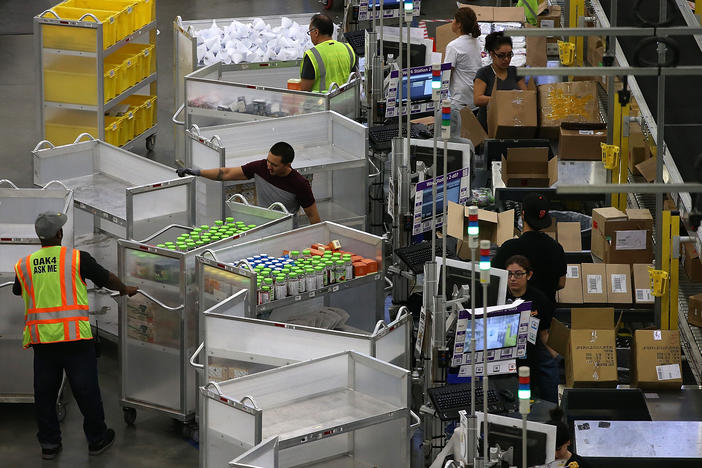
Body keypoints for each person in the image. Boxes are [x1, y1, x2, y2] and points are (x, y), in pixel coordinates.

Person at [12, 212, 138, 460]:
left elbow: (19, 290)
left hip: (43, 341)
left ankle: (49, 444)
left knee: (45, 394)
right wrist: (125, 289)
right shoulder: (76, 259)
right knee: (86, 391)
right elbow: (106, 278)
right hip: (75, 340)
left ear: (40, 238)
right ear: (59, 234)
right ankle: (97, 439)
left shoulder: (24, 265)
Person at [177, 141, 321, 224]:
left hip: (286, 232)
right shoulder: (260, 167)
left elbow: (312, 215)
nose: (268, 166)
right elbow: (225, 173)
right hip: (261, 225)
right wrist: (197, 172)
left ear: (288, 165)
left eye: (274, 165)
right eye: (268, 161)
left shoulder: (299, 184)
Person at [492, 192, 567, 302]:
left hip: (515, 313)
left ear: (523, 214)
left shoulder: (509, 248)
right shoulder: (556, 248)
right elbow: (561, 283)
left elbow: (493, 279)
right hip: (545, 314)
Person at [505, 255, 559, 403]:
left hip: (532, 349)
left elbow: (544, 333)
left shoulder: (539, 299)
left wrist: (556, 356)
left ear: (529, 275)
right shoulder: (500, 296)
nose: (513, 278)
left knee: (550, 368)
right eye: (509, 274)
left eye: (518, 274)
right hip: (507, 351)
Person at [473, 31, 528, 131]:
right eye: (501, 55)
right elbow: (478, 99)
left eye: (509, 55)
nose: (506, 59)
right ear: (492, 54)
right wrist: (504, 99)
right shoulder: (484, 73)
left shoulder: (515, 72)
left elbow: (527, 95)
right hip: (489, 129)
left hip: (512, 126)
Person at [445, 6, 483, 138]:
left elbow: (446, 75)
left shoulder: (453, 46)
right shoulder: (477, 42)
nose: (452, 22)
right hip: (475, 100)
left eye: (454, 20)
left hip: (460, 103)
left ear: (459, 24)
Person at [300, 13, 356, 92]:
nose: (310, 35)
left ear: (316, 32)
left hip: (322, 103)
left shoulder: (312, 55)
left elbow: (305, 90)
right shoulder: (348, 48)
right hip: (345, 101)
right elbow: (353, 79)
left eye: (310, 32)